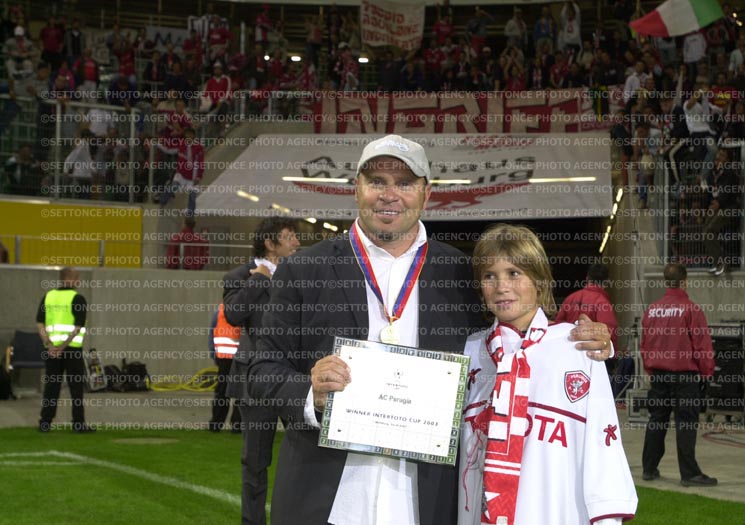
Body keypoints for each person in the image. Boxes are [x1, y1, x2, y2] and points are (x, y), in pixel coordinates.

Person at [248, 135, 614, 525]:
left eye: (404, 183)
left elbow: (510, 344)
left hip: (426, 503)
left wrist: (574, 342)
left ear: (426, 194)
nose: (389, 195)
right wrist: (311, 394)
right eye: (376, 181)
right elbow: (261, 369)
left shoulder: (459, 273)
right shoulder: (305, 269)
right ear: (357, 188)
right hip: (325, 499)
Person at [458, 224, 637, 525]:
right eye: (490, 276)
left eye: (514, 273)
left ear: (539, 280)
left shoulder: (578, 346)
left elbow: (601, 443)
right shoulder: (469, 351)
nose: (501, 286)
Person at [223, 217, 300, 525]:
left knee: (305, 456)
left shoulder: (300, 274)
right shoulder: (239, 276)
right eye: (290, 236)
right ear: (270, 243)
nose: (296, 242)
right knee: (255, 462)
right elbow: (233, 314)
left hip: (296, 380)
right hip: (255, 381)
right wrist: (259, 280)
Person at [640, 264, 717, 487]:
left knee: (657, 420)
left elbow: (645, 344)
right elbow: (702, 345)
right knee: (686, 424)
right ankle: (689, 473)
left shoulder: (652, 310)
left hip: (659, 375)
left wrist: (651, 369)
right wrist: (707, 372)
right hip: (685, 376)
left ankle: (649, 468)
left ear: (666, 281)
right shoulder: (691, 310)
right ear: (684, 281)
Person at [37, 267, 94, 433]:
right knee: (76, 388)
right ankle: (78, 424)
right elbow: (78, 327)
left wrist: (49, 344)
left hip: (52, 351)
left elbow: (40, 323)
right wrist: (62, 347)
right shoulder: (78, 298)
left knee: (51, 386)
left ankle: (45, 422)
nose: (78, 281)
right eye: (77, 278)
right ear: (71, 279)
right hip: (72, 350)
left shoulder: (48, 297)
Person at [703, 149, 740, 276]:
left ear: (728, 160)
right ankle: (717, 263)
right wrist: (707, 207)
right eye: (718, 154)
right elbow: (708, 192)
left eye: (722, 155)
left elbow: (728, 192)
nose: (718, 157)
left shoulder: (730, 173)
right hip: (715, 206)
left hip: (728, 207)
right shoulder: (712, 173)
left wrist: (718, 202)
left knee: (709, 231)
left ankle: (721, 263)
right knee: (705, 233)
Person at [209, 303, 242, 432]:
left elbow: (212, 332)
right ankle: (237, 425)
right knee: (240, 392)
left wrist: (213, 353)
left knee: (222, 391)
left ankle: (216, 423)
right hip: (241, 358)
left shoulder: (220, 310)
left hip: (223, 357)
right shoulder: (246, 307)